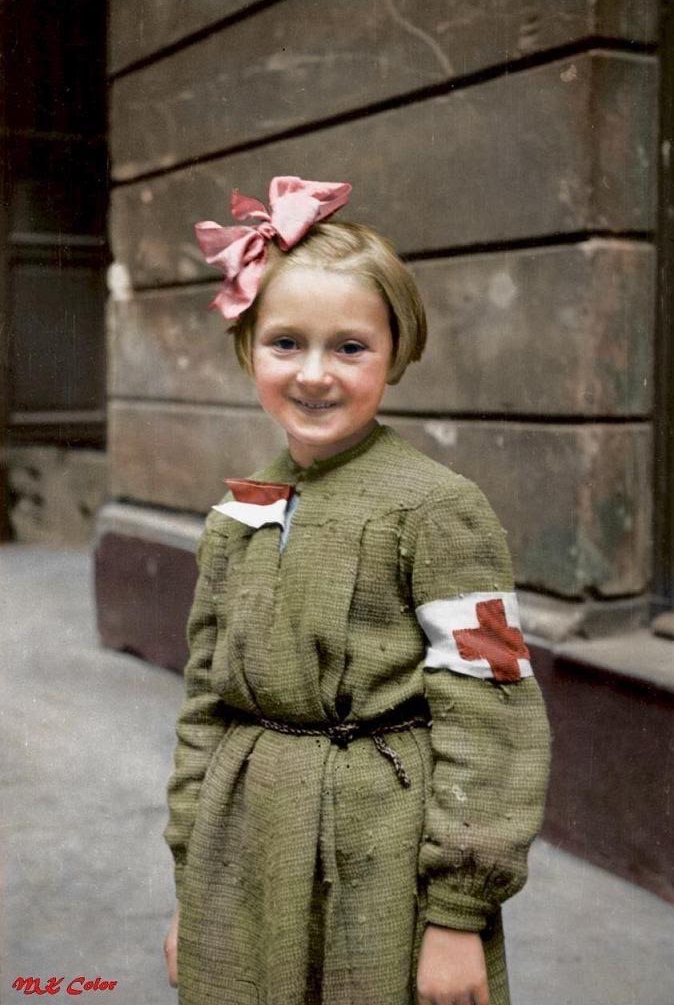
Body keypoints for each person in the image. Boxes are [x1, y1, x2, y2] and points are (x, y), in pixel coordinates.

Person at [162, 175, 551, 1005]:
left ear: (396, 353)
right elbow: (204, 706)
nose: (315, 375)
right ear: (247, 349)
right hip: (245, 850)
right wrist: (193, 886)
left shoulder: (438, 511)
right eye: (285, 343)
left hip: (380, 858)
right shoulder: (239, 512)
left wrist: (457, 916)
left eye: (350, 347)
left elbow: (491, 711)